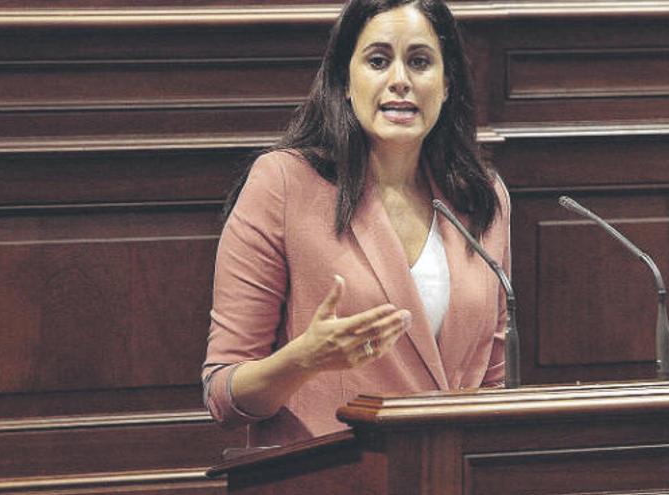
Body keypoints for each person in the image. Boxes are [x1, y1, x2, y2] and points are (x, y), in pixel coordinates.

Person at [202, 0, 511, 447]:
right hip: (329, 475)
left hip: (448, 475)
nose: (400, 81)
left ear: (447, 86)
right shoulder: (284, 183)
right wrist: (302, 360)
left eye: (420, 62)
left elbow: (491, 383)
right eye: (378, 61)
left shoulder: (482, 199)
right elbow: (223, 395)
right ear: (345, 81)